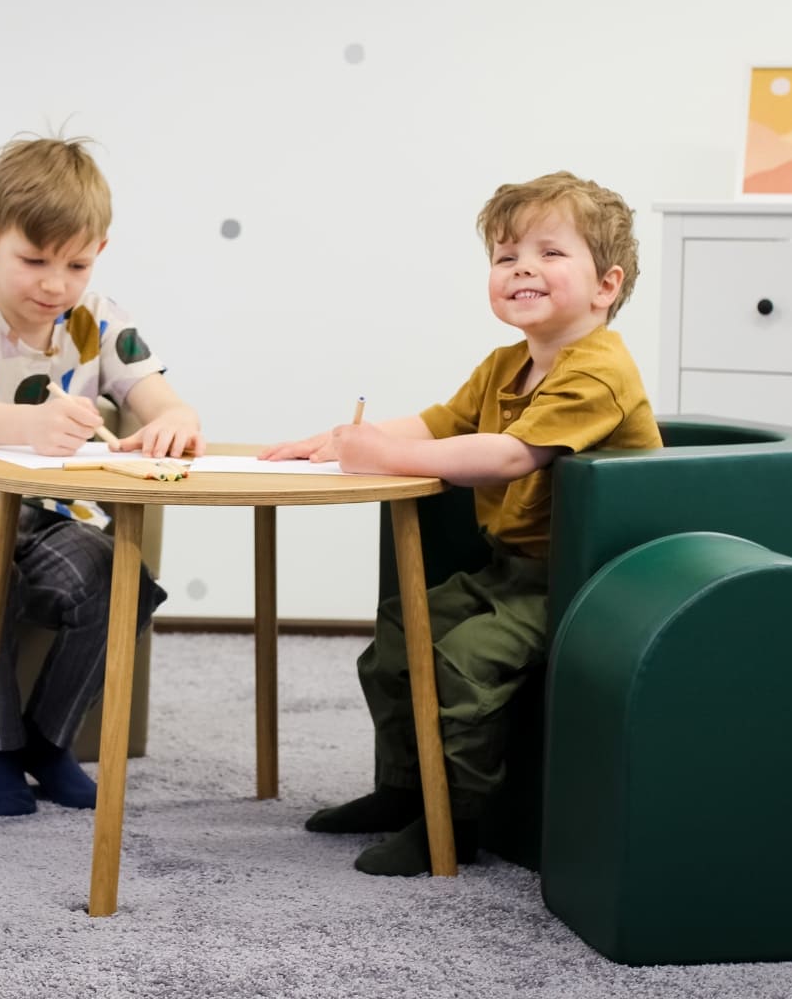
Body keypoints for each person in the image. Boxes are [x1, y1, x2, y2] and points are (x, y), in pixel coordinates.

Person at [260, 171, 662, 876]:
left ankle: (455, 822)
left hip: (583, 581)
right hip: (508, 567)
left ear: (606, 285)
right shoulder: (507, 363)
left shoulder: (599, 370)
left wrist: (389, 453)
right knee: (397, 636)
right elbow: (441, 422)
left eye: (549, 253)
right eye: (506, 258)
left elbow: (510, 455)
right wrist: (334, 439)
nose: (522, 269)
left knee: (463, 663)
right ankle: (402, 790)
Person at [0, 135, 204, 817]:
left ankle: (47, 743)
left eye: (76, 264)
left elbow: (159, 397)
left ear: (100, 254)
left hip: (49, 519)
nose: (55, 283)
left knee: (125, 586)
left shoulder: (102, 321)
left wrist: (174, 420)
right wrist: (29, 426)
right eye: (33, 260)